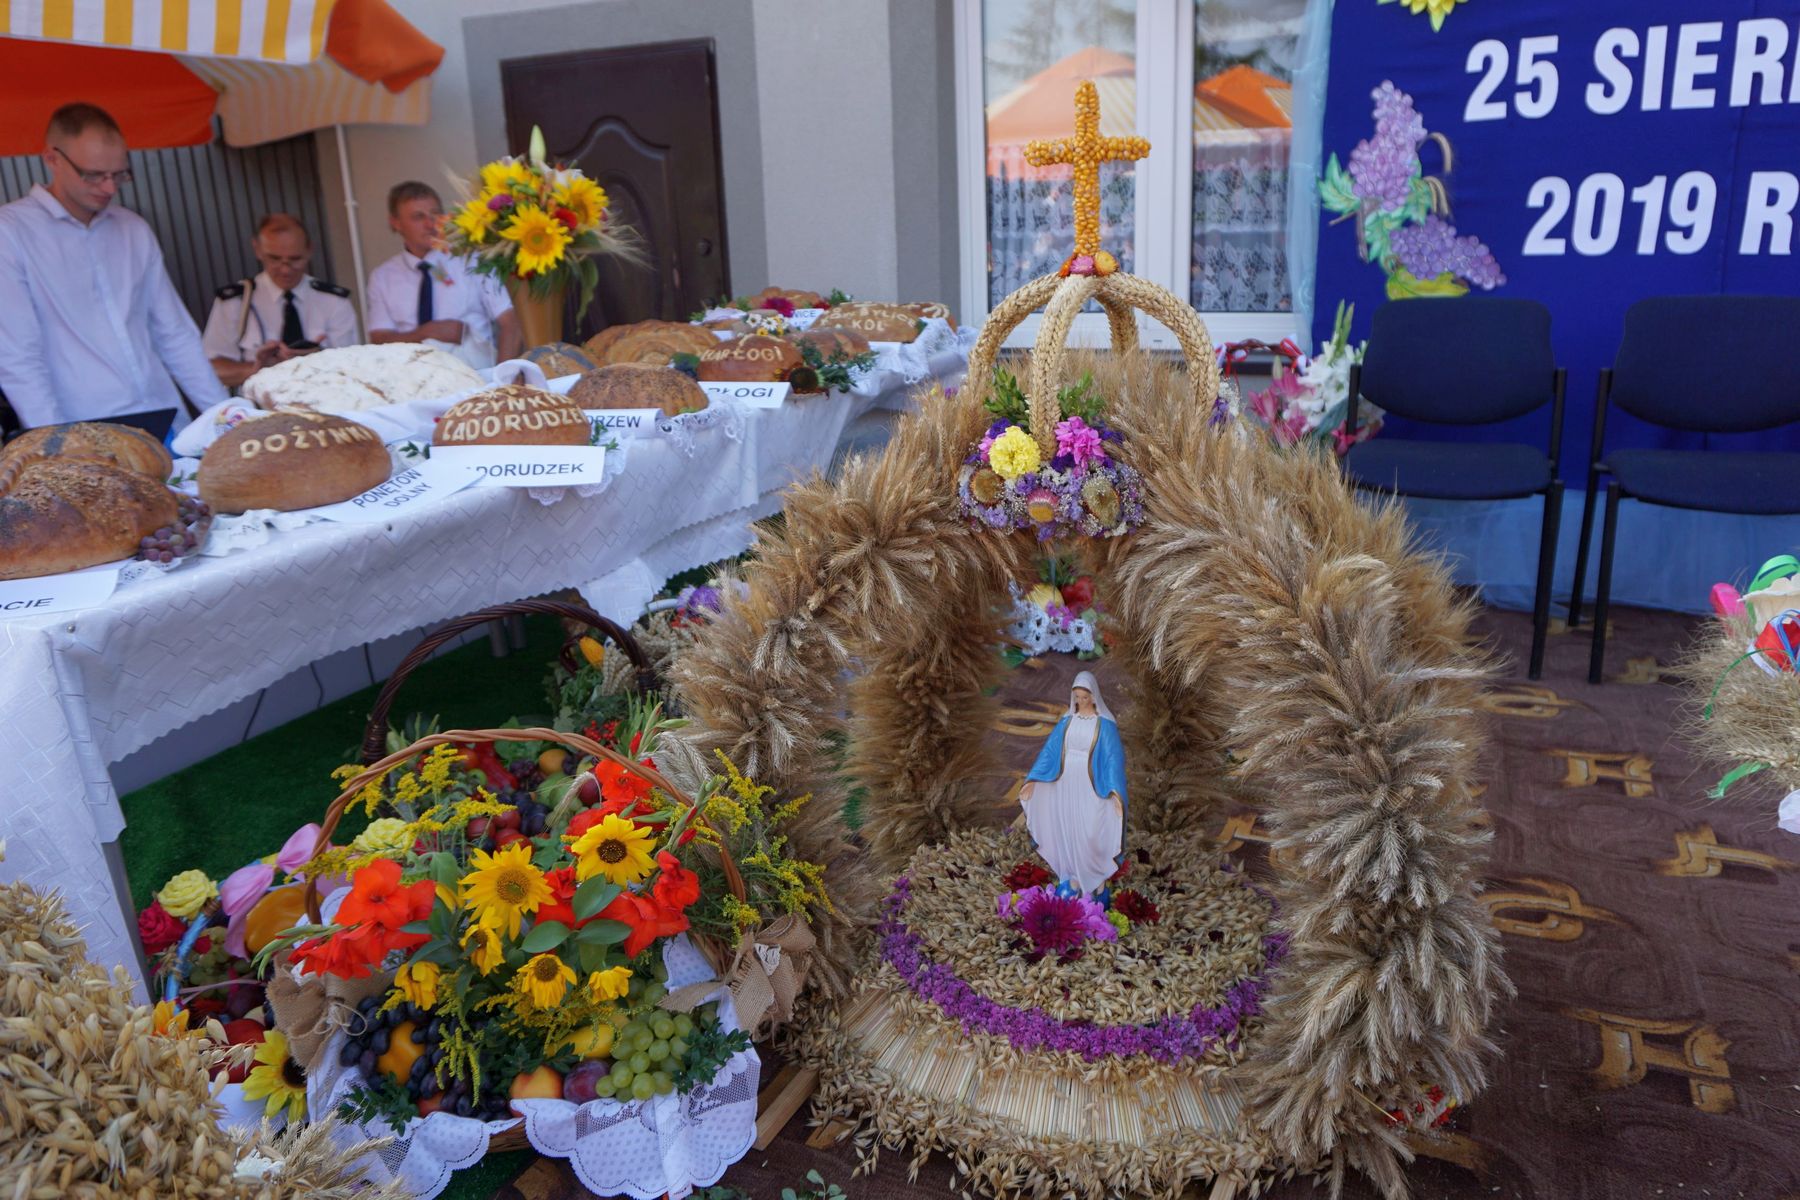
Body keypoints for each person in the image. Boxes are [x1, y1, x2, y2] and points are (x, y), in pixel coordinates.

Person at [0, 103, 226, 436]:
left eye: (119, 175)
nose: (109, 188)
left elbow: (174, 333)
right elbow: (18, 356)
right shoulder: (11, 232)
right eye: (93, 175)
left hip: (165, 417)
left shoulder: (133, 228)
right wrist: (56, 446)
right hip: (84, 429)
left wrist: (225, 419)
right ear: (52, 159)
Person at [366, 181, 521, 369]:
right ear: (396, 223)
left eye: (435, 214)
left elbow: (511, 323)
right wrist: (424, 333)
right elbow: (379, 339)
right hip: (411, 377)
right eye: (418, 217)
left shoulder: (473, 260)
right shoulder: (382, 277)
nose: (430, 224)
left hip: (475, 373)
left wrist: (502, 378)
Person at [203, 214, 360, 391]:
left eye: (295, 259)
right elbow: (211, 368)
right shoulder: (236, 302)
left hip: (323, 398)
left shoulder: (334, 301)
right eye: (274, 259)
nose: (285, 270)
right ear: (257, 249)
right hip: (258, 403)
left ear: (309, 250)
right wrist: (258, 369)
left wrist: (316, 359)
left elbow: (353, 366)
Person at [1019, 670, 1129, 897]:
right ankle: (1072, 874)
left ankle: (1095, 875)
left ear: (1094, 696)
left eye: (1084, 697)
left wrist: (1115, 792)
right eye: (1077, 697)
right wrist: (1032, 780)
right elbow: (1049, 752)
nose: (1080, 701)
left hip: (1091, 786)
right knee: (1068, 827)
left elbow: (1113, 760)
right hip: (1065, 783)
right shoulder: (1067, 721)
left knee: (1091, 830)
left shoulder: (1104, 725)